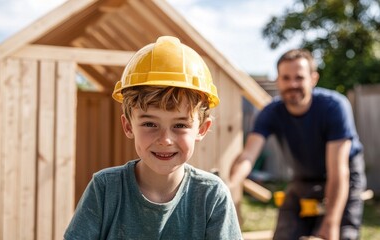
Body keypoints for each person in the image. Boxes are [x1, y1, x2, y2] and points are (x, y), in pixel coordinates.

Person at [64, 36, 242, 239]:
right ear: (128, 126)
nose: (165, 139)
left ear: (202, 128)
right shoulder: (105, 188)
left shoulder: (212, 195)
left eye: (180, 125)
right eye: (150, 124)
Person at [229, 49, 366, 240]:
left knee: (342, 235)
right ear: (278, 80)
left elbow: (338, 171)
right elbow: (248, 156)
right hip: (304, 177)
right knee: (285, 235)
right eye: (286, 78)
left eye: (299, 78)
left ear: (313, 79)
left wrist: (330, 224)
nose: (292, 84)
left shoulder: (334, 107)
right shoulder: (271, 112)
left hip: (343, 178)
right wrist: (228, 186)